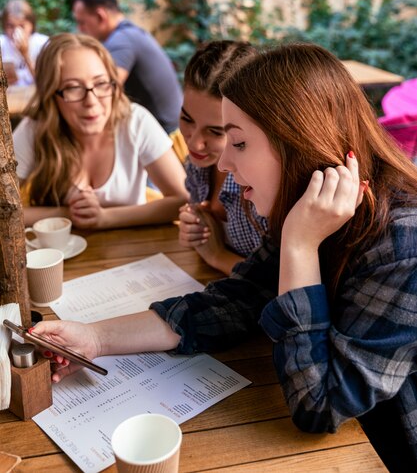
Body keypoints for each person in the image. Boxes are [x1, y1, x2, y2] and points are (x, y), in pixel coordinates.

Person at [33, 43, 417, 472]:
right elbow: (235, 300)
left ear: (297, 141)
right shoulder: (307, 201)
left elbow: (319, 405)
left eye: (238, 141)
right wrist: (95, 338)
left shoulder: (401, 247)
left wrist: (299, 247)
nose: (225, 161)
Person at [13, 33, 188, 229]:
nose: (91, 101)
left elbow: (183, 200)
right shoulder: (35, 129)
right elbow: (4, 209)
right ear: (51, 94)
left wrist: (104, 217)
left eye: (101, 83)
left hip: (134, 252)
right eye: (73, 88)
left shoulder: (135, 121)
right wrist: (69, 213)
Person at [178, 40, 267, 274]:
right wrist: (197, 227)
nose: (194, 142)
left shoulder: (266, 184)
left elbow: (283, 283)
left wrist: (217, 256)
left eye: (216, 131)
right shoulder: (199, 166)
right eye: (187, 119)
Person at [72, 0, 183, 135]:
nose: (80, 29)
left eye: (82, 22)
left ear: (100, 16)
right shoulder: (130, 33)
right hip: (172, 126)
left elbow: (104, 92)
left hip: (167, 136)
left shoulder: (121, 41)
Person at [0, 0, 48, 86]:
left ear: (31, 25)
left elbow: (45, 82)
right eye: (10, 26)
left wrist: (25, 54)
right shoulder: (2, 44)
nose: (16, 31)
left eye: (22, 26)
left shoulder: (42, 44)